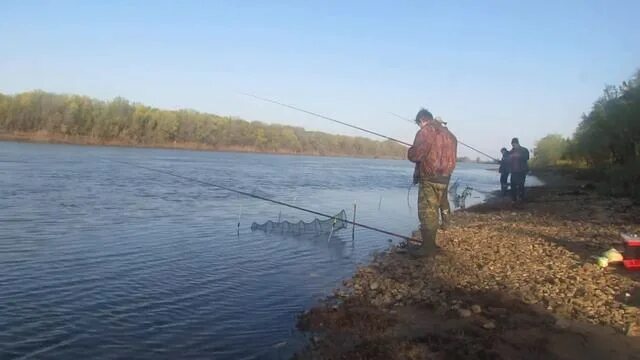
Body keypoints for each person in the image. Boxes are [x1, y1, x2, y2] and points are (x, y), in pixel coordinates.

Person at [408, 109, 458, 256]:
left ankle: (428, 249)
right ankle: (431, 243)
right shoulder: (450, 135)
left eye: (419, 124)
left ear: (421, 120)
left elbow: (416, 155)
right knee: (436, 209)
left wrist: (410, 151)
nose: (419, 127)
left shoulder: (426, 131)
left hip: (430, 176)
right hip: (446, 177)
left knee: (427, 213)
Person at [508, 138, 529, 203]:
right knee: (513, 185)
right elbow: (507, 160)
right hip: (513, 171)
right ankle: (514, 199)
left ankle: (521, 198)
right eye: (512, 144)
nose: (513, 145)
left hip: (522, 171)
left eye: (514, 144)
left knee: (521, 185)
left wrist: (518, 156)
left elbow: (527, 157)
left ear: (517, 143)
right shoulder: (511, 151)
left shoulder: (524, 150)